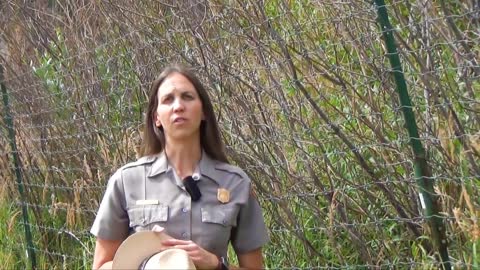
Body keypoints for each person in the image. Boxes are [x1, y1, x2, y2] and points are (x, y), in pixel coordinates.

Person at [90, 65, 269, 269]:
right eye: (168, 100)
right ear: (156, 117)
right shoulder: (126, 182)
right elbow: (101, 265)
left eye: (187, 97)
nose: (178, 106)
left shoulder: (236, 184)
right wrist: (148, 265)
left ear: (203, 112)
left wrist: (217, 265)